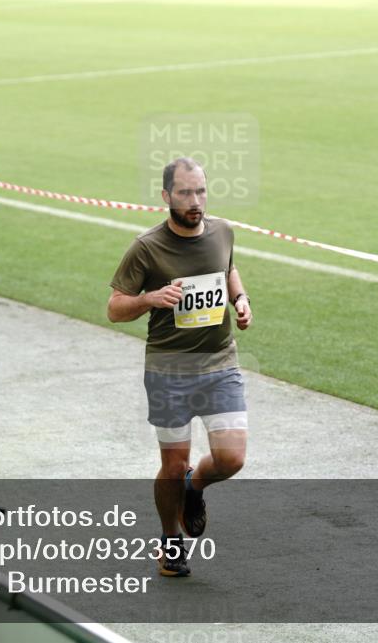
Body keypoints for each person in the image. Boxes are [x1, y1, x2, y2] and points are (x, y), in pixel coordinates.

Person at [107, 157, 252, 577]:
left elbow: (228, 269)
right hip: (169, 371)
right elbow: (115, 308)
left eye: (200, 191)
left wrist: (240, 299)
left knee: (231, 458)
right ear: (166, 196)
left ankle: (194, 485)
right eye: (185, 193)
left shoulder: (223, 231)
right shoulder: (146, 247)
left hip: (220, 363)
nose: (195, 201)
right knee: (172, 464)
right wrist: (149, 299)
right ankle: (170, 540)